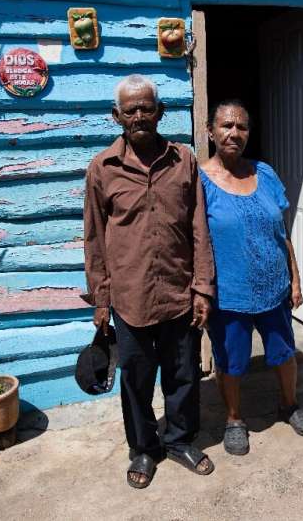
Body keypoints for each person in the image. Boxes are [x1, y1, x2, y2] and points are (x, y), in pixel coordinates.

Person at [82, 75, 216, 488]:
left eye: (146, 107)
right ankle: (143, 448)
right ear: (116, 116)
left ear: (160, 112)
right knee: (136, 381)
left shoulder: (184, 160)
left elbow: (199, 227)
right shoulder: (102, 169)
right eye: (130, 109)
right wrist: (102, 301)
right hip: (130, 298)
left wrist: (202, 287)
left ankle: (178, 440)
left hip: (179, 292)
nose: (138, 115)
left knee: (184, 374)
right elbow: (94, 239)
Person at [198, 99, 303, 456]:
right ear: (211, 131)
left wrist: (294, 278)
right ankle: (234, 419)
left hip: (273, 288)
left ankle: (288, 404)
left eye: (241, 126)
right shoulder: (200, 180)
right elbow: (194, 241)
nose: (234, 133)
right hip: (229, 295)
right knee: (232, 361)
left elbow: (281, 230)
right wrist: (200, 291)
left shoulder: (264, 173)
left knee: (283, 354)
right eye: (226, 126)